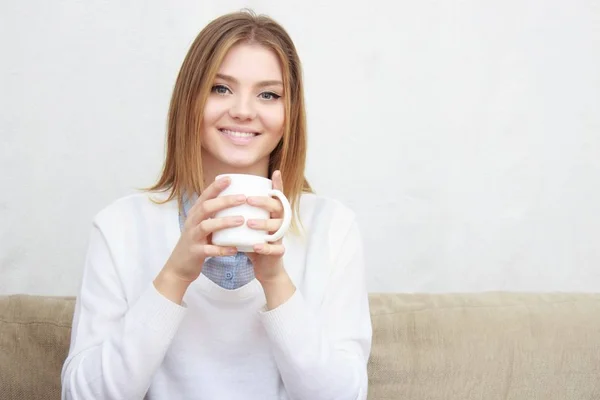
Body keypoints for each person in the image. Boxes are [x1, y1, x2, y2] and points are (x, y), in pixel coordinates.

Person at [61, 9, 372, 400]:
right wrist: (174, 276)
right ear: (190, 100)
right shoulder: (120, 226)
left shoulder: (333, 227)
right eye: (221, 88)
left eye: (268, 94)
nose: (243, 110)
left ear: (289, 114)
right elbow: (83, 395)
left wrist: (275, 280)